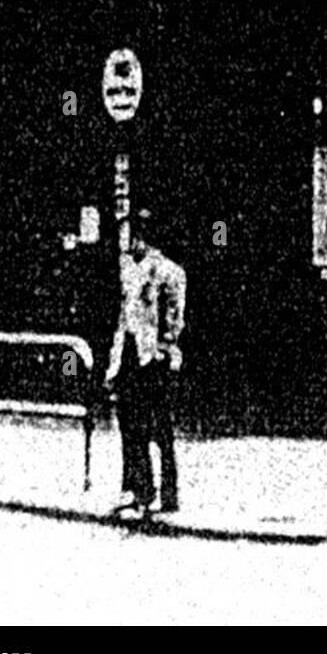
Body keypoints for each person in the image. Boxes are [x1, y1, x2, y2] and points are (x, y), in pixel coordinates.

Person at [105, 211, 186, 518]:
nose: (127, 243)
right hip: (129, 352)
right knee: (131, 427)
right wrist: (114, 363)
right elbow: (123, 316)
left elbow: (173, 320)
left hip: (155, 358)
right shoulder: (128, 269)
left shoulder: (169, 272)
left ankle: (167, 493)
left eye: (131, 236)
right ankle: (138, 488)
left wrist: (166, 350)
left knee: (160, 428)